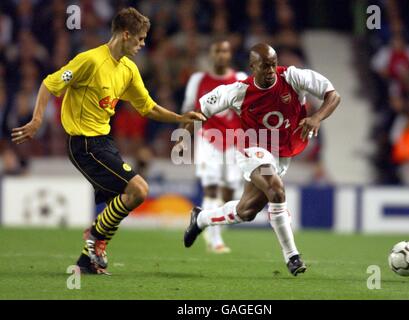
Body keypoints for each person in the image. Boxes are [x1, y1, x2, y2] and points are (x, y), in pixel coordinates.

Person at [11, 7, 205, 275]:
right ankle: (95, 235)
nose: (143, 44)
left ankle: (86, 261)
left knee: (124, 198)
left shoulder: (128, 69)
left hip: (104, 141)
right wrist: (36, 120)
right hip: (84, 144)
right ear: (126, 35)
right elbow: (49, 83)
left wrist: (180, 117)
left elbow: (147, 107)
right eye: (140, 39)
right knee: (139, 190)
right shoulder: (89, 61)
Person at [183, 43, 340, 276]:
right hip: (252, 146)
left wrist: (317, 117)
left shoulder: (293, 77)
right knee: (276, 191)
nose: (270, 71)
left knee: (246, 211)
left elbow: (333, 95)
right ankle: (292, 256)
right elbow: (203, 107)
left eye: (273, 65)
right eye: (265, 66)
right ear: (252, 66)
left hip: (282, 152)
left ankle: (201, 219)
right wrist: (187, 131)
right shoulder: (238, 91)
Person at [181, 39, 246, 253]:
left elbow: (249, 112)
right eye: (217, 50)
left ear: (230, 54)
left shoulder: (240, 79)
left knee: (230, 194)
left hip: (236, 143)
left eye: (225, 51)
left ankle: (208, 223)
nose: (221, 55)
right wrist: (182, 137)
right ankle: (214, 240)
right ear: (211, 54)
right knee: (211, 189)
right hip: (208, 138)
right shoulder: (198, 79)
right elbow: (190, 109)